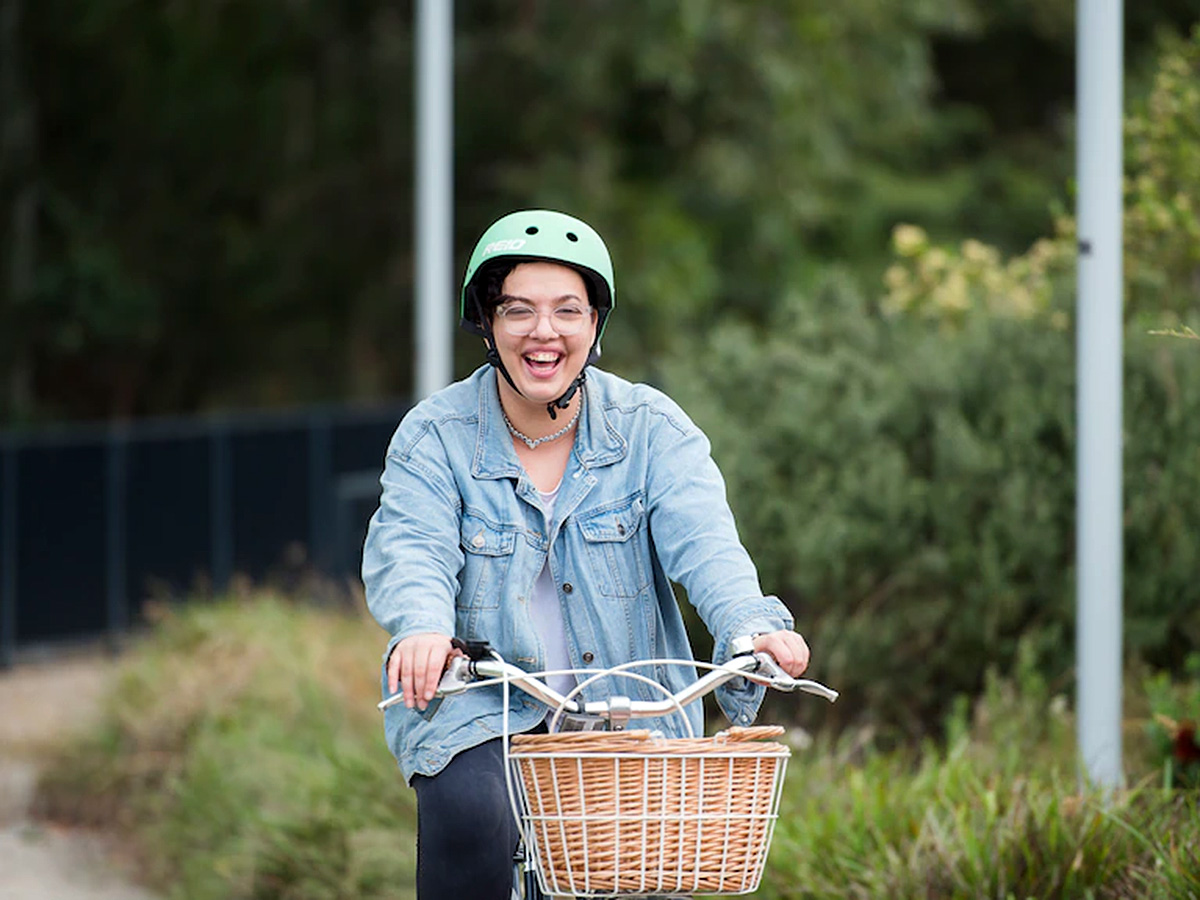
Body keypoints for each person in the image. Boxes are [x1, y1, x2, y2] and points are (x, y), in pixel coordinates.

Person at [362, 209, 810, 899]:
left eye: (567, 311)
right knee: (472, 817)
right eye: (518, 310)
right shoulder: (436, 436)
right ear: (487, 322)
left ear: (595, 324)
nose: (544, 332)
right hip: (486, 709)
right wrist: (423, 628)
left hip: (629, 710)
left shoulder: (650, 429)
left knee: (649, 873)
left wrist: (750, 623)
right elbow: (410, 547)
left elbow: (707, 543)